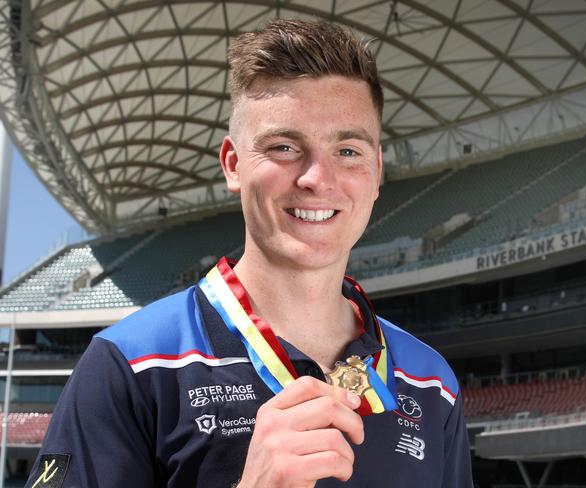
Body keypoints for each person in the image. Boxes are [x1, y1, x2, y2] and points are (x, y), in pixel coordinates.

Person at [27, 19, 473, 488]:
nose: (316, 178)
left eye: (347, 150)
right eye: (284, 147)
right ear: (234, 164)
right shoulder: (131, 363)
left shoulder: (431, 381)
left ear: (377, 170)